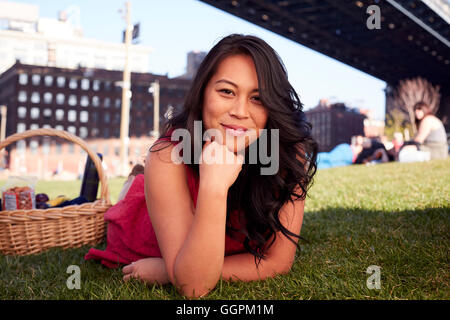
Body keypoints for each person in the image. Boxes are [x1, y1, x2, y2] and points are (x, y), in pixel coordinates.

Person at [88, 34, 318, 298]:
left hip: (191, 247)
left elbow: (276, 262)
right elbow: (195, 288)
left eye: (257, 98)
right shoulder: (169, 155)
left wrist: (171, 271)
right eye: (227, 92)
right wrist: (214, 186)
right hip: (151, 225)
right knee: (140, 186)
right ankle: (136, 182)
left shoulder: (289, 156)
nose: (240, 111)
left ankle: (139, 179)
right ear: (203, 93)